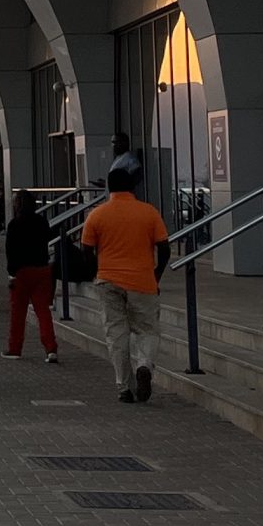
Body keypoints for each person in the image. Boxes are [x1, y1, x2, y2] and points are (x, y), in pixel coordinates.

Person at [81, 158, 168, 402]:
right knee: (147, 330)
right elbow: (165, 248)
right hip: (142, 281)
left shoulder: (96, 215)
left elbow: (86, 249)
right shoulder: (149, 212)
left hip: (108, 280)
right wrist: (155, 275)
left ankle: (124, 387)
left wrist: (95, 273)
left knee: (116, 334)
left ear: (109, 188)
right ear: (132, 188)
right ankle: (144, 366)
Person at [0, 189, 59, 363]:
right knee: (43, 312)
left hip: (21, 272)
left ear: (17, 204)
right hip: (41, 269)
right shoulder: (42, 222)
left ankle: (15, 348)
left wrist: (11, 273)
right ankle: (51, 348)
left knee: (18, 313)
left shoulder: (14, 224)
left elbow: (10, 251)